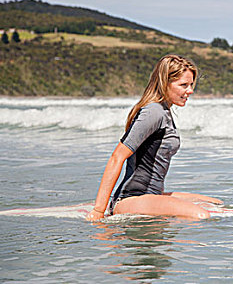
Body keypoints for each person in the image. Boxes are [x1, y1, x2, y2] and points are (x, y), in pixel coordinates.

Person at [86, 54, 222, 222]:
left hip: (152, 195)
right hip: (132, 198)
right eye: (184, 85)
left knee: (217, 204)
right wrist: (99, 211)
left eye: (191, 84)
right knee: (201, 215)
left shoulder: (165, 111)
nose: (190, 90)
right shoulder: (153, 112)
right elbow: (117, 157)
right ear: (165, 83)